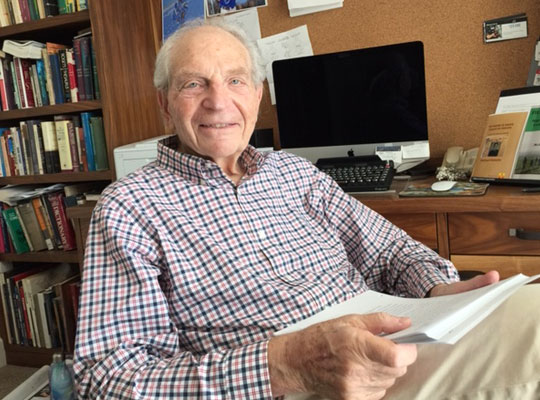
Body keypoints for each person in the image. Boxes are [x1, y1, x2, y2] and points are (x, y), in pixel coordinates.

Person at [73, 18, 540, 399]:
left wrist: (439, 291)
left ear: (256, 94)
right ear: (164, 103)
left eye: (235, 80)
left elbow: (391, 251)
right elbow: (108, 379)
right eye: (194, 84)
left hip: (391, 345)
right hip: (288, 388)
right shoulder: (129, 207)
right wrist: (287, 365)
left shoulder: (296, 174)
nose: (219, 101)